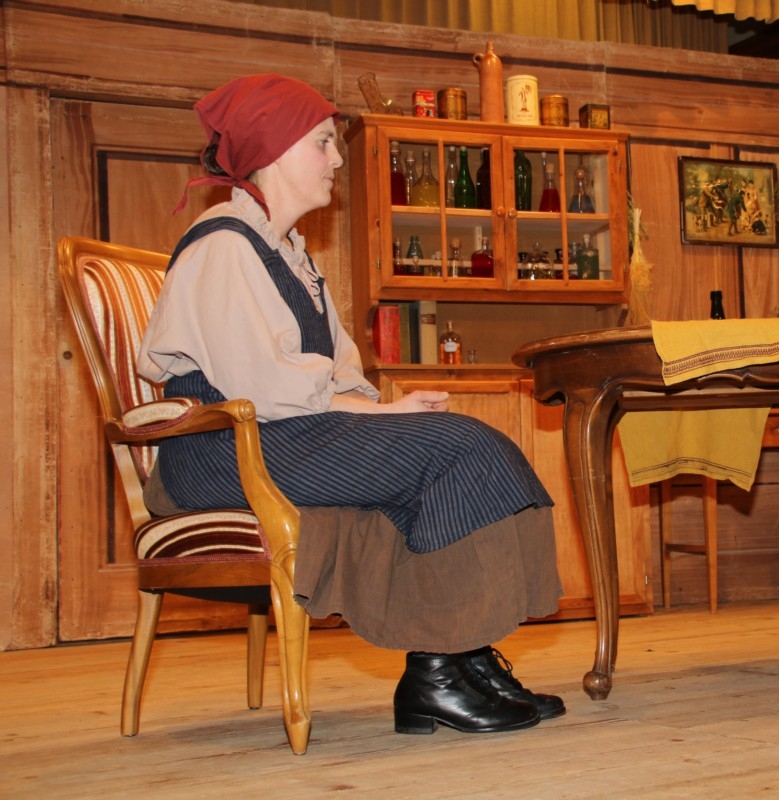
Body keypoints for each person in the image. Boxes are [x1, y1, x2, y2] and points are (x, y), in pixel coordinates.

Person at [137, 74, 566, 734]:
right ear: (274, 151)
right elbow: (261, 385)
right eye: (322, 143)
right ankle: (438, 672)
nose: (337, 159)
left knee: (471, 445)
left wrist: (381, 411)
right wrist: (381, 416)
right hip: (221, 450)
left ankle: (462, 655)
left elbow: (338, 371)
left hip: (279, 433)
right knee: (458, 450)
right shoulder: (224, 244)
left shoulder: (289, 254)